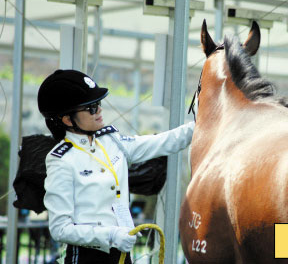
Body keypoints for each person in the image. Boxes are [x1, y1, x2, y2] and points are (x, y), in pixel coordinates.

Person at [37, 69, 195, 264]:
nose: (100, 110)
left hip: (122, 252)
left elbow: (163, 142)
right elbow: (60, 229)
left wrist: (202, 123)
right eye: (91, 108)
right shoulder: (61, 160)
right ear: (67, 120)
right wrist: (110, 235)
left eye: (99, 104)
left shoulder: (112, 141)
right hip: (87, 257)